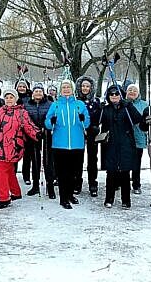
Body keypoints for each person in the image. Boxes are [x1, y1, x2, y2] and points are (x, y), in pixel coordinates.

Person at [0, 88, 39, 209]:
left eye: (11, 97)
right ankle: (16, 192)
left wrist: (36, 134)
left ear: (16, 99)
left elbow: (29, 126)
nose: (9, 100)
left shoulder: (21, 113)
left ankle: (4, 198)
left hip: (13, 147)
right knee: (8, 170)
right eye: (7, 97)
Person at [45, 79, 90, 209]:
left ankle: (70, 194)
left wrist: (84, 119)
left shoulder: (79, 104)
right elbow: (47, 123)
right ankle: (63, 198)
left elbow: (86, 123)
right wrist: (51, 121)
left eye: (68, 87)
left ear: (73, 89)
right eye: (64, 87)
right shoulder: (56, 105)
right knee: (62, 173)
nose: (66, 89)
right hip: (60, 144)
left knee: (74, 172)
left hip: (77, 144)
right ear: (60, 90)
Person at [99, 85, 143, 208]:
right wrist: (99, 110)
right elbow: (97, 122)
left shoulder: (127, 107)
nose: (114, 96)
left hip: (126, 144)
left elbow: (138, 119)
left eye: (116, 94)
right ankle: (109, 198)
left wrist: (129, 105)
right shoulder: (106, 109)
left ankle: (126, 200)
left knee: (125, 172)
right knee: (111, 173)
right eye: (111, 94)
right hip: (110, 144)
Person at [23, 83, 55, 198]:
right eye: (36, 91)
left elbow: (52, 118)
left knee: (47, 161)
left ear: (43, 93)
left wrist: (46, 127)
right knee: (35, 161)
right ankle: (35, 185)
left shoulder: (50, 104)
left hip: (46, 135)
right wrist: (33, 130)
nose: (38, 93)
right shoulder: (27, 105)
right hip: (32, 136)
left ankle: (50, 186)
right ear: (32, 93)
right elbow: (25, 121)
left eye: (40, 91)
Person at [74, 76, 102, 196]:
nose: (85, 88)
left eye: (87, 86)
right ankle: (77, 182)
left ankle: (92, 183)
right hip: (78, 132)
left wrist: (95, 124)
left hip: (92, 132)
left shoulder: (95, 102)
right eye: (83, 86)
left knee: (92, 159)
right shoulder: (75, 101)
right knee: (77, 159)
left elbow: (99, 117)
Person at [125, 84, 148, 194]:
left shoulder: (144, 104)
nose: (132, 92)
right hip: (125, 137)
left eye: (135, 90)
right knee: (123, 161)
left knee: (136, 162)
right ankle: (121, 182)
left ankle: (136, 184)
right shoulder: (123, 103)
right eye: (130, 90)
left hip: (138, 136)